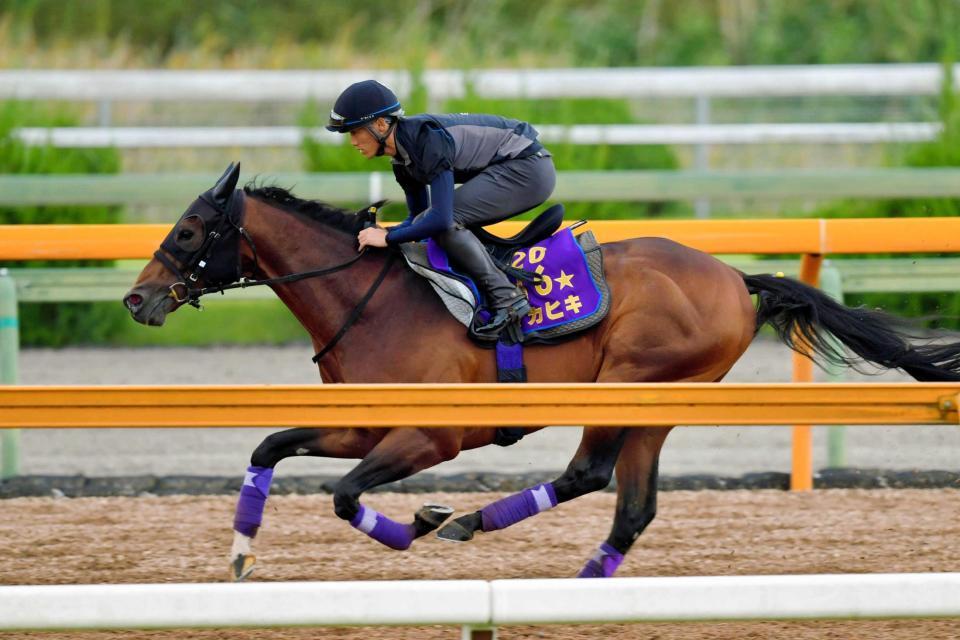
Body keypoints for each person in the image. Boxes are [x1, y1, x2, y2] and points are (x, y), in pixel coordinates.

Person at [325, 79, 556, 341]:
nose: (353, 141)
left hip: (528, 168)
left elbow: (441, 219)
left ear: (380, 125)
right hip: (515, 166)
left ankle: (508, 299)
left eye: (355, 131)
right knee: (430, 223)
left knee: (446, 222)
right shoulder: (402, 161)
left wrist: (388, 237)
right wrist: (386, 232)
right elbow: (418, 220)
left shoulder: (427, 141)